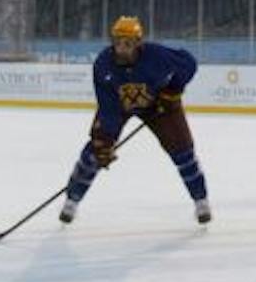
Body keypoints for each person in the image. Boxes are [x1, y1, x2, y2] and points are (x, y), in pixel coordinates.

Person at [58, 16, 210, 227]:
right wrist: (105, 139)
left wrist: (172, 91)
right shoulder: (103, 64)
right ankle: (72, 200)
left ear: (138, 43)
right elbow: (107, 106)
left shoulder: (157, 56)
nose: (121, 48)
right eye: (117, 42)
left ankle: (201, 200)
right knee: (94, 152)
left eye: (127, 43)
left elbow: (189, 64)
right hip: (119, 108)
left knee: (182, 150)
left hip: (159, 106)